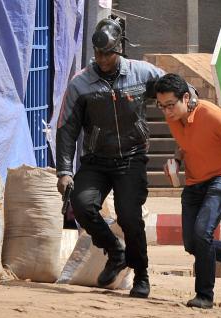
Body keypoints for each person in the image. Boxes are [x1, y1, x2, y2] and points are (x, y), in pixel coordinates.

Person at [55, 17, 164, 298]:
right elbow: (66, 129)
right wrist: (64, 171)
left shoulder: (142, 74)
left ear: (120, 49)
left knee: (130, 217)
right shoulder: (80, 84)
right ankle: (115, 252)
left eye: (108, 53)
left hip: (131, 158)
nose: (102, 59)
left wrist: (191, 97)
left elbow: (172, 87)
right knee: (81, 205)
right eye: (97, 53)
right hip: (96, 160)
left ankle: (141, 275)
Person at [154, 73, 221, 309]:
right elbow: (185, 143)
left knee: (202, 233)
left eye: (170, 105)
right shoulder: (174, 117)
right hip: (193, 182)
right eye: (161, 106)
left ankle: (204, 295)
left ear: (185, 98)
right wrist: (176, 160)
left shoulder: (210, 113)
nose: (166, 112)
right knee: (191, 243)